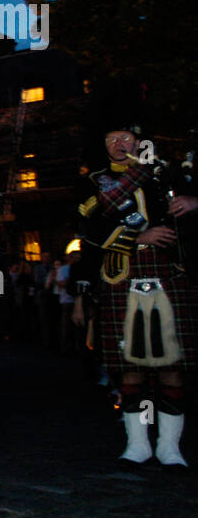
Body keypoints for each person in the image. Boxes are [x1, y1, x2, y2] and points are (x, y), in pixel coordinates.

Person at [78, 105, 195, 466]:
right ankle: (138, 443)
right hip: (121, 276)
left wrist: (194, 201)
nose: (119, 144)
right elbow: (89, 231)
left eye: (126, 137)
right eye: (112, 139)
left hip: (170, 274)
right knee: (131, 366)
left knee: (172, 365)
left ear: (140, 140)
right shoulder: (94, 183)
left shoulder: (170, 174)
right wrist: (136, 236)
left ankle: (170, 446)